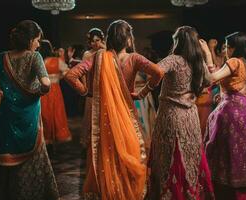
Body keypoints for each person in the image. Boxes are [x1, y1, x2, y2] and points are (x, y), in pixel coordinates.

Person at [64, 19, 163, 199]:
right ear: (129, 40)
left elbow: (71, 76)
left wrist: (87, 92)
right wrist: (143, 92)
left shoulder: (98, 57)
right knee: (128, 152)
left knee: (108, 154)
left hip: (106, 116)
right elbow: (158, 72)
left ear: (109, 39)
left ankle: (110, 191)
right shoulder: (134, 58)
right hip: (127, 115)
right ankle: (127, 192)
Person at [0, 20, 59, 200]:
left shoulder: (2, 57)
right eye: (36, 40)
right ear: (29, 40)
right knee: (31, 154)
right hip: (29, 117)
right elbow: (46, 84)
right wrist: (35, 92)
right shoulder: (34, 57)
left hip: (6, 115)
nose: (37, 44)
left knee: (6, 153)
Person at [200, 32, 246, 200]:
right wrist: (227, 93)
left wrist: (207, 55)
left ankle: (225, 193)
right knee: (242, 153)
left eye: (227, 46)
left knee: (227, 153)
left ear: (234, 47)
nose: (225, 51)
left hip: (232, 114)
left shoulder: (234, 61)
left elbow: (211, 79)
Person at [147, 26, 213, 200]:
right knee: (190, 154)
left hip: (171, 115)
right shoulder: (199, 62)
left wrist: (148, 85)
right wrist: (208, 55)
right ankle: (191, 194)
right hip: (190, 116)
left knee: (170, 155)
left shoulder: (173, 60)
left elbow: (154, 71)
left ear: (178, 41)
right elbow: (210, 81)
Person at [39, 40, 72, 146]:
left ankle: (45, 138)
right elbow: (67, 72)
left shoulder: (39, 61)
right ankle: (55, 138)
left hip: (42, 90)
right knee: (56, 112)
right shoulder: (56, 61)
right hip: (55, 89)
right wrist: (57, 77)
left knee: (44, 113)